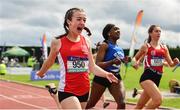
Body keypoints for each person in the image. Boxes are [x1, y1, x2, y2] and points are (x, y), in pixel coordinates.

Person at [36, 7, 118, 109]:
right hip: (67, 90)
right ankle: (56, 96)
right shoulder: (58, 42)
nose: (82, 23)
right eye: (79, 19)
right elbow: (50, 61)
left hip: (84, 90)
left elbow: (92, 67)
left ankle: (54, 95)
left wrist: (106, 74)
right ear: (69, 22)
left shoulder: (86, 41)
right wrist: (41, 72)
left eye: (84, 20)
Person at [131, 25, 179, 109]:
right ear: (150, 33)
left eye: (160, 31)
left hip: (157, 78)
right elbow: (135, 58)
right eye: (156, 31)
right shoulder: (146, 46)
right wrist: (134, 62)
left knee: (139, 106)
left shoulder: (164, 48)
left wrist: (175, 62)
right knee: (158, 100)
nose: (159, 33)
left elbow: (171, 64)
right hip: (147, 77)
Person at [86, 24, 129, 109]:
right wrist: (112, 62)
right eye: (115, 29)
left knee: (122, 103)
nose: (118, 31)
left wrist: (125, 60)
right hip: (102, 77)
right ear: (109, 33)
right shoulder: (105, 45)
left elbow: (119, 61)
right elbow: (97, 64)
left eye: (119, 29)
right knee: (91, 104)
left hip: (115, 77)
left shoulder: (119, 48)